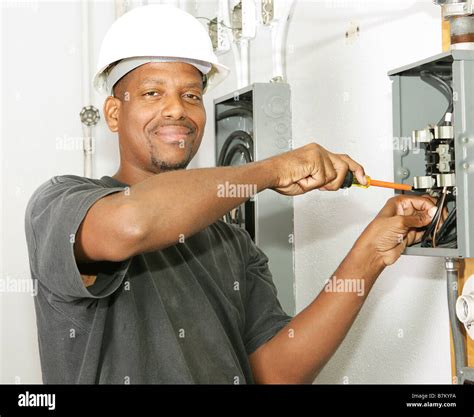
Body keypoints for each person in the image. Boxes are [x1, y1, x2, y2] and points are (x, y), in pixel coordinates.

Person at [24, 5, 437, 384]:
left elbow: (275, 372)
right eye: (153, 93)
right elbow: (131, 224)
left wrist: (370, 254)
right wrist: (270, 170)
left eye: (191, 95)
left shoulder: (231, 243)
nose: (176, 110)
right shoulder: (61, 203)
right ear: (114, 113)